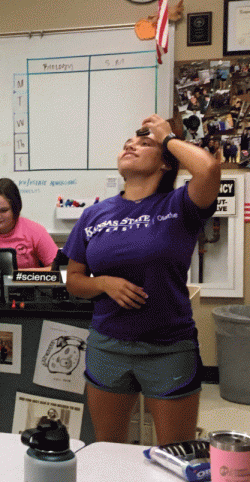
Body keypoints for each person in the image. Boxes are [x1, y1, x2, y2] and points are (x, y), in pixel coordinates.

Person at [63, 114, 221, 445]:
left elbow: (207, 169)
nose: (131, 144)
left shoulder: (180, 204)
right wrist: (103, 283)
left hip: (169, 348)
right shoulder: (94, 214)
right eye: (128, 143)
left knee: (176, 454)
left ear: (166, 161)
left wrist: (166, 138)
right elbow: (74, 279)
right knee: (109, 451)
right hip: (108, 345)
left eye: (143, 142)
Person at [0, 178, 58, 270]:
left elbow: (57, 268)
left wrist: (16, 274)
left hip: (25, 284)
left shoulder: (35, 231)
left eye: (3, 210)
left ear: (15, 209)